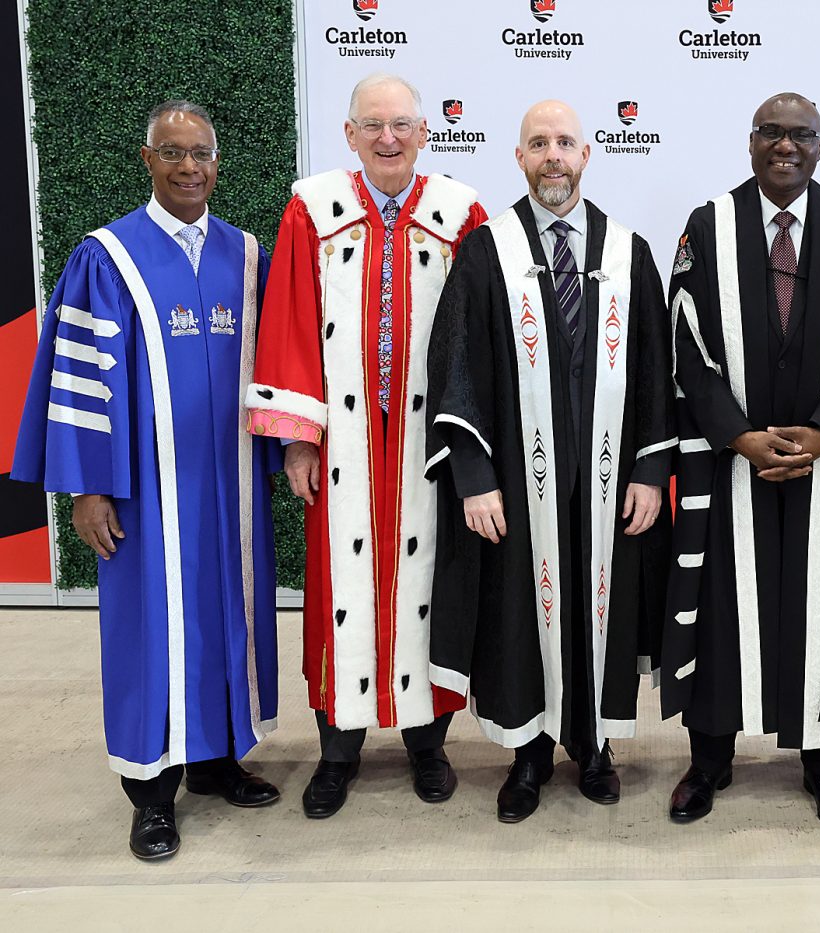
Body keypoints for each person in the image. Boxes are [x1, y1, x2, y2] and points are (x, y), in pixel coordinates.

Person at [12, 101, 280, 859]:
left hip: (227, 485)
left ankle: (217, 759)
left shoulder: (244, 254)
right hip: (145, 489)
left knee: (227, 610)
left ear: (218, 163)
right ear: (148, 159)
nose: (189, 165)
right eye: (173, 152)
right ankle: (150, 793)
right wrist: (87, 487)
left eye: (201, 152)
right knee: (150, 627)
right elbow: (79, 380)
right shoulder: (108, 256)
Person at [660, 92, 820, 833]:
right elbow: (686, 345)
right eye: (772, 132)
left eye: (801, 134)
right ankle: (709, 760)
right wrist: (738, 435)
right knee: (721, 611)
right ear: (750, 142)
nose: (786, 146)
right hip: (729, 461)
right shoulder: (707, 225)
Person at [246, 73, 488, 818]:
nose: (389, 138)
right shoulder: (312, 210)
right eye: (373, 125)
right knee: (337, 589)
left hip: (427, 442)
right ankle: (337, 752)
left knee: (428, 588)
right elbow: (286, 321)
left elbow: (478, 341)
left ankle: (427, 742)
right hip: (345, 442)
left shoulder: (459, 214)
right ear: (350, 135)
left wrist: (470, 448)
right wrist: (300, 439)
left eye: (402, 125)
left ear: (425, 134)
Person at [426, 100, 673, 823]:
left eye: (565, 142)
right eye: (539, 143)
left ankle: (593, 746)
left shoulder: (628, 253)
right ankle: (529, 754)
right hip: (519, 482)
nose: (553, 156)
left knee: (602, 611)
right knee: (519, 618)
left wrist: (650, 470)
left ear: (587, 154)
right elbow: (457, 364)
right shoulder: (486, 250)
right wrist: (473, 476)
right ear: (519, 157)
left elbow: (658, 369)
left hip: (604, 485)